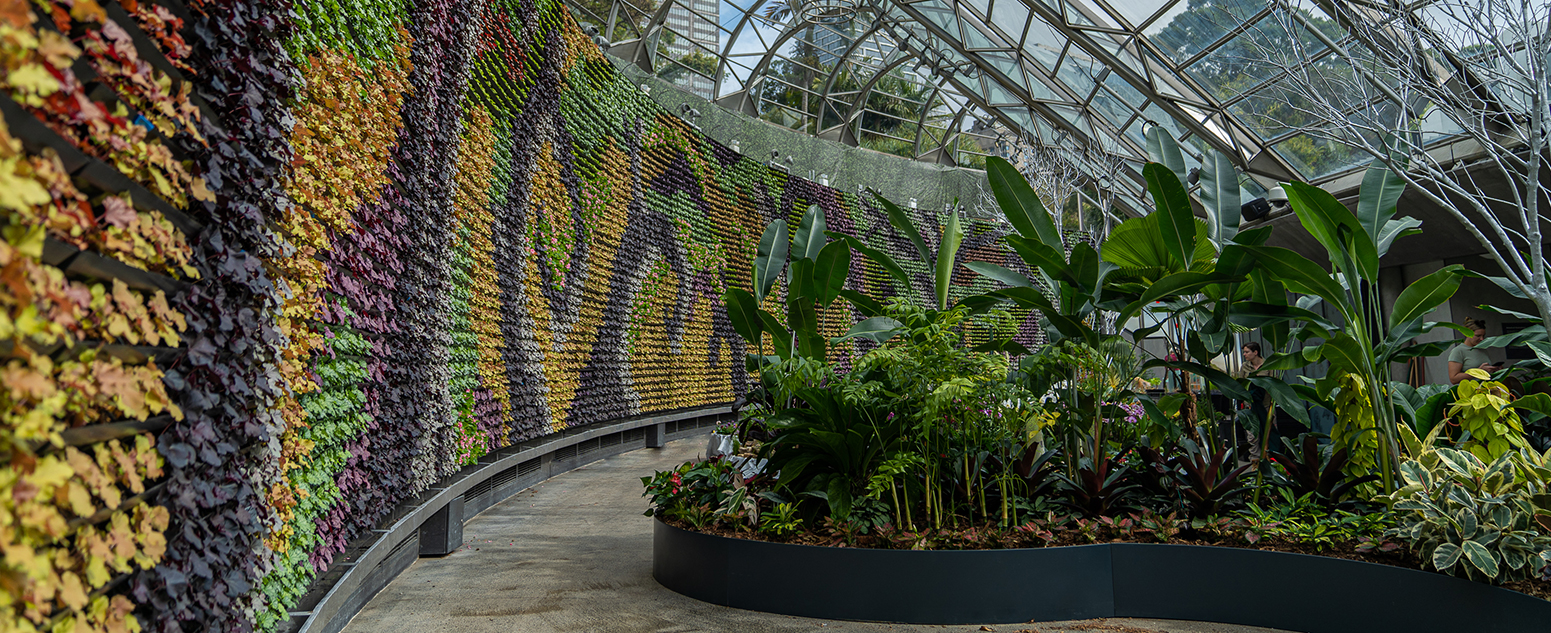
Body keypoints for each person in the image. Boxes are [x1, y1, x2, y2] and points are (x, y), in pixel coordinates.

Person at [1448, 317, 1501, 384]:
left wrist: (1494, 369)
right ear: (1467, 334)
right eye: (1478, 336)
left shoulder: (1482, 349)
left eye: (1483, 336)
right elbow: (1453, 379)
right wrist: (1478, 372)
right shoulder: (1458, 351)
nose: (1481, 339)